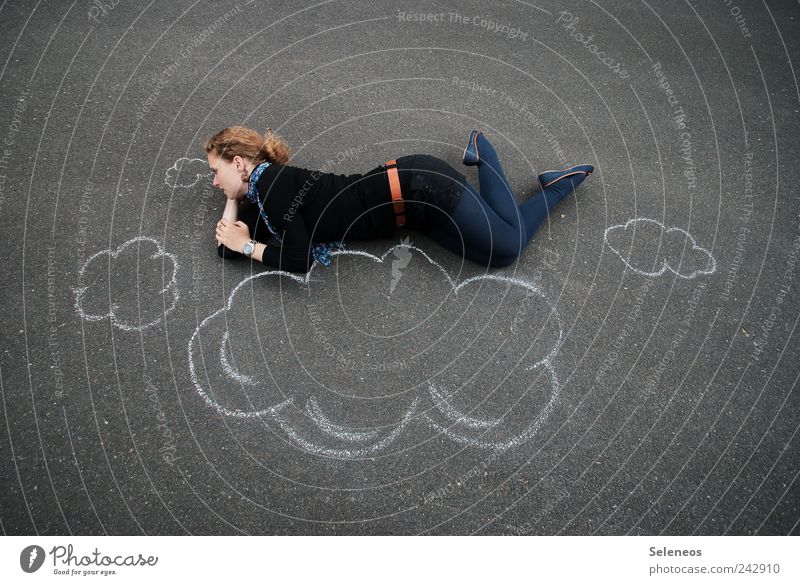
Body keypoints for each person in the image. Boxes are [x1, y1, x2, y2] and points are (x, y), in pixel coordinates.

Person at [206, 125, 593, 273]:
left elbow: (297, 259)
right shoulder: (264, 194)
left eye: (215, 172)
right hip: (414, 210)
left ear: (240, 162)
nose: (212, 181)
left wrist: (250, 244)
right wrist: (235, 203)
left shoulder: (273, 188)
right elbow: (227, 247)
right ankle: (489, 156)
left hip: (420, 186)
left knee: (507, 246)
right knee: (500, 252)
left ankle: (511, 163)